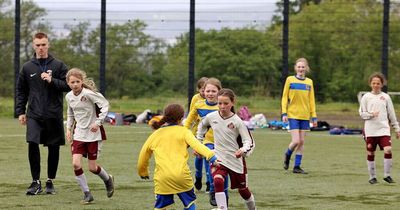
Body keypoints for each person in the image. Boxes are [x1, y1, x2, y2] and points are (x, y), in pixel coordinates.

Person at [16, 32, 70, 195]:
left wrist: (52, 80)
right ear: (34, 45)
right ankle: (35, 182)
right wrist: (20, 111)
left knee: (53, 147)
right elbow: (21, 90)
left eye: (43, 44)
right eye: (38, 45)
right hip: (34, 114)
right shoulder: (27, 67)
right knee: (32, 143)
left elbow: (69, 86)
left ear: (48, 45)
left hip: (53, 114)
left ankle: (50, 182)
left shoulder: (59, 65)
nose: (41, 48)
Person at [137, 104, 218, 210]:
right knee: (190, 204)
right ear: (181, 118)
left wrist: (143, 171)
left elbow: (144, 154)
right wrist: (212, 157)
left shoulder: (155, 134)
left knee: (161, 207)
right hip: (182, 176)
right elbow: (198, 146)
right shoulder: (184, 132)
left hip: (162, 178)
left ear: (164, 116)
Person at [197, 88, 256, 210]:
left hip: (235, 160)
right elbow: (201, 127)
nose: (222, 106)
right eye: (220, 103)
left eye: (226, 103)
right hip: (219, 157)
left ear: (232, 103)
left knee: (243, 191)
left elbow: (248, 141)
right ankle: (222, 208)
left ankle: (253, 208)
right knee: (218, 181)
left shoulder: (237, 121)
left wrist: (243, 150)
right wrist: (199, 144)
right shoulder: (211, 117)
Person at [65, 68, 114, 204]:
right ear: (68, 83)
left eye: (77, 81)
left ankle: (108, 179)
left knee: (92, 168)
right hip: (79, 134)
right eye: (72, 82)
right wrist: (68, 129)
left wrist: (97, 123)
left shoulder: (89, 94)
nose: (75, 84)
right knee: (75, 164)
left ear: (82, 82)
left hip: (93, 134)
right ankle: (87, 194)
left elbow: (105, 105)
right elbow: (70, 113)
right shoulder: (68, 96)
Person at [184, 77, 227, 206]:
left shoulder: (223, 105)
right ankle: (211, 189)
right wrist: (185, 135)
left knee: (222, 167)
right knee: (209, 165)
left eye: (213, 91)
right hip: (205, 140)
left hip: (223, 142)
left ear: (219, 92)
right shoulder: (198, 105)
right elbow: (188, 122)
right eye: (207, 91)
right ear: (203, 91)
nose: (209, 94)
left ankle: (220, 189)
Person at [359, 72, 400, 184]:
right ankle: (372, 177)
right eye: (374, 83)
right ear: (370, 84)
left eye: (378, 83)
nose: (376, 85)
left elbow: (391, 114)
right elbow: (362, 114)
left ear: (382, 84)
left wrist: (397, 129)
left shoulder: (386, 97)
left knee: (388, 149)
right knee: (371, 153)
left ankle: (387, 175)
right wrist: (371, 114)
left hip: (383, 129)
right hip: (370, 130)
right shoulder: (366, 97)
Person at [281, 57, 317, 174]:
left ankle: (297, 166)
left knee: (301, 142)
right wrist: (284, 113)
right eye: (299, 67)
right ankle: (287, 154)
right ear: (295, 68)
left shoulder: (309, 82)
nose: (301, 69)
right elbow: (285, 97)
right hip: (293, 114)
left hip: (305, 116)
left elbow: (311, 100)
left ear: (306, 68)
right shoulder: (290, 80)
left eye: (303, 67)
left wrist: (314, 116)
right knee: (296, 141)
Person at [187, 77, 209, 191]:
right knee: (199, 156)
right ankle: (198, 176)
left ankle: (209, 181)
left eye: (209, 90)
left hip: (211, 133)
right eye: (203, 90)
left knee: (208, 155)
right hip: (198, 131)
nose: (206, 93)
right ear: (198, 90)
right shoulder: (196, 98)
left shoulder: (215, 98)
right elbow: (192, 114)